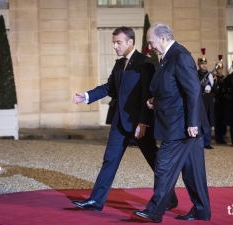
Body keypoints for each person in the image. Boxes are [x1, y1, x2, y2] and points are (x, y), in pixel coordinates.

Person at [72, 26, 178, 212]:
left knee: (155, 161)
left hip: (140, 124)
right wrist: (87, 96)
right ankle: (96, 201)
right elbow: (109, 87)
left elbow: (148, 94)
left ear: (130, 42)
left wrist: (143, 122)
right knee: (109, 160)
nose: (115, 46)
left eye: (118, 42)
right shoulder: (119, 64)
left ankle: (169, 198)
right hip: (120, 123)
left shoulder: (145, 63)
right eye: (114, 43)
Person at [133, 22, 211, 223]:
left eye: (151, 42)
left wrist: (193, 122)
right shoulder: (167, 57)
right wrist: (155, 101)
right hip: (179, 123)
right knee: (193, 171)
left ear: (163, 38)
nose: (150, 47)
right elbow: (172, 90)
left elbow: (193, 90)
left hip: (182, 125)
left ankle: (154, 210)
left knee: (163, 165)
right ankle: (202, 210)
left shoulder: (180, 55)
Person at [197, 48, 218, 149]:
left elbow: (215, 90)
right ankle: (200, 142)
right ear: (199, 65)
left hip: (209, 100)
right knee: (201, 122)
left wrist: (213, 81)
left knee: (209, 121)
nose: (204, 65)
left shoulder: (210, 75)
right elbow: (196, 88)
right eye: (202, 64)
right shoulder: (196, 74)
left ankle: (207, 142)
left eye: (205, 63)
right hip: (202, 99)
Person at [214, 55, 227, 144]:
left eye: (221, 69)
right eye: (219, 69)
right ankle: (218, 138)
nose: (220, 71)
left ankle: (223, 137)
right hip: (217, 101)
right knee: (217, 121)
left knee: (224, 120)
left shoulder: (224, 78)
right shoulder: (215, 78)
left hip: (224, 101)